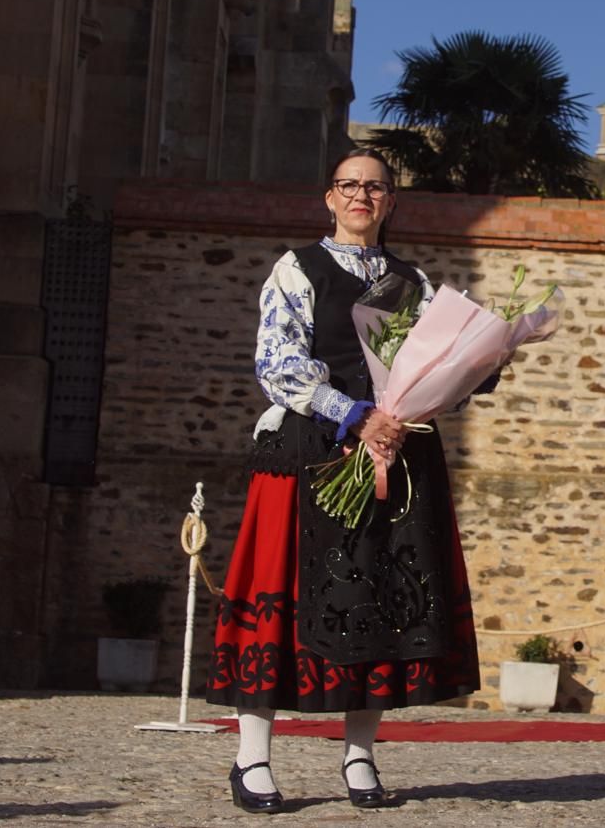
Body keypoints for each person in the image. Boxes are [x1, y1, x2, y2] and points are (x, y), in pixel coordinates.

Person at [207, 148, 479, 812]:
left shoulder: (411, 281)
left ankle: (360, 756)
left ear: (391, 201)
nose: (362, 196)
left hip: (395, 454)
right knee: (282, 601)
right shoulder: (297, 269)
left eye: (375, 187)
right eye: (349, 185)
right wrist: (354, 415)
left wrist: (474, 368)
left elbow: (435, 367)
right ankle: (252, 759)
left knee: (379, 599)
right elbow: (278, 362)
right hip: (310, 451)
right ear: (329, 197)